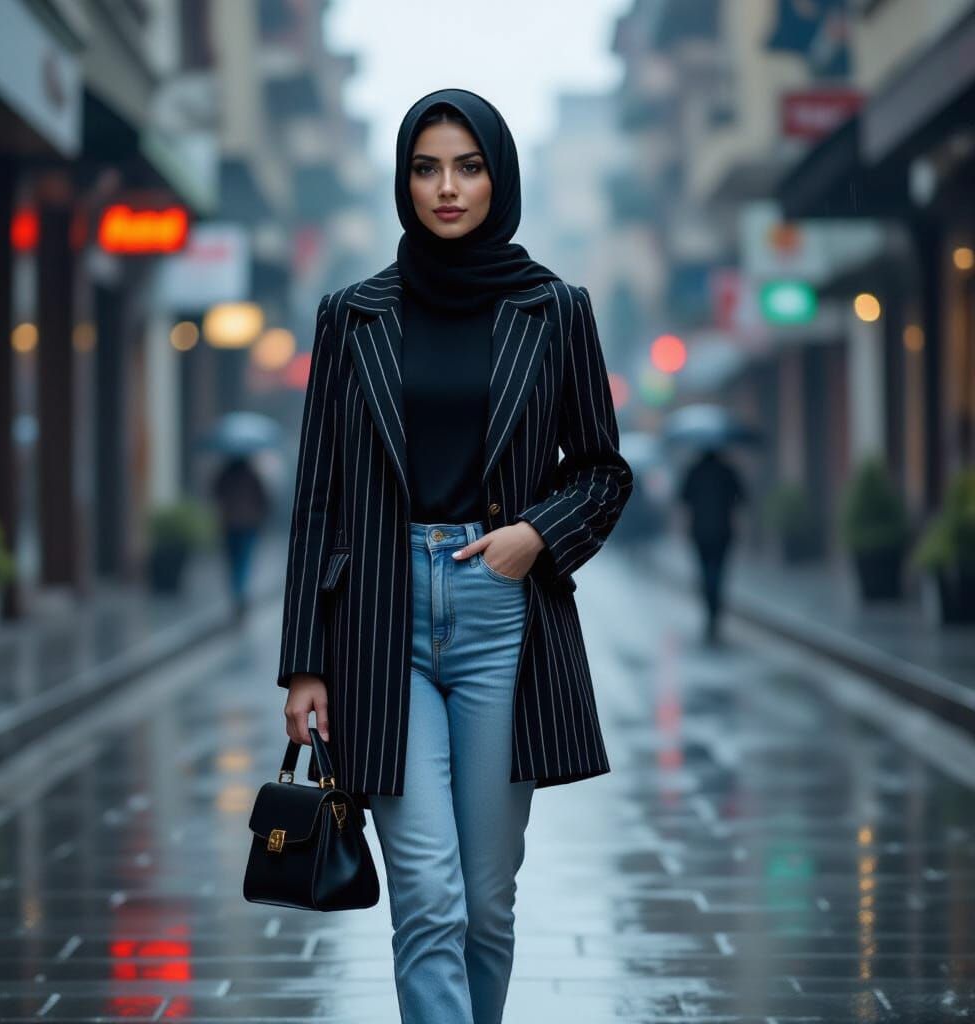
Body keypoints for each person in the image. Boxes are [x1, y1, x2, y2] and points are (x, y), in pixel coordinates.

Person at [276, 88, 634, 1024]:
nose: (447, 187)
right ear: (404, 180)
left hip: (499, 612)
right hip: (380, 620)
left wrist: (534, 537)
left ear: (498, 177)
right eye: (426, 167)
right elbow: (317, 498)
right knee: (426, 897)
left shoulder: (555, 309)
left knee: (486, 901)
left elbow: (603, 471)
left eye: (468, 166)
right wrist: (304, 661)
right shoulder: (350, 316)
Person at [677, 446, 746, 645]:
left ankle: (711, 606)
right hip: (723, 531)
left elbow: (683, 500)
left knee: (705, 570)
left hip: (700, 531)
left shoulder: (693, 471)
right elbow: (742, 498)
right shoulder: (728, 471)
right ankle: (714, 609)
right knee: (719, 570)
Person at [211, 454, 270, 621]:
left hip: (229, 524)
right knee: (244, 561)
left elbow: (215, 493)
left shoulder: (224, 475)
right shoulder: (252, 476)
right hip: (249, 525)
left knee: (233, 562)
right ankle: (241, 594)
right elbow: (264, 499)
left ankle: (237, 594)